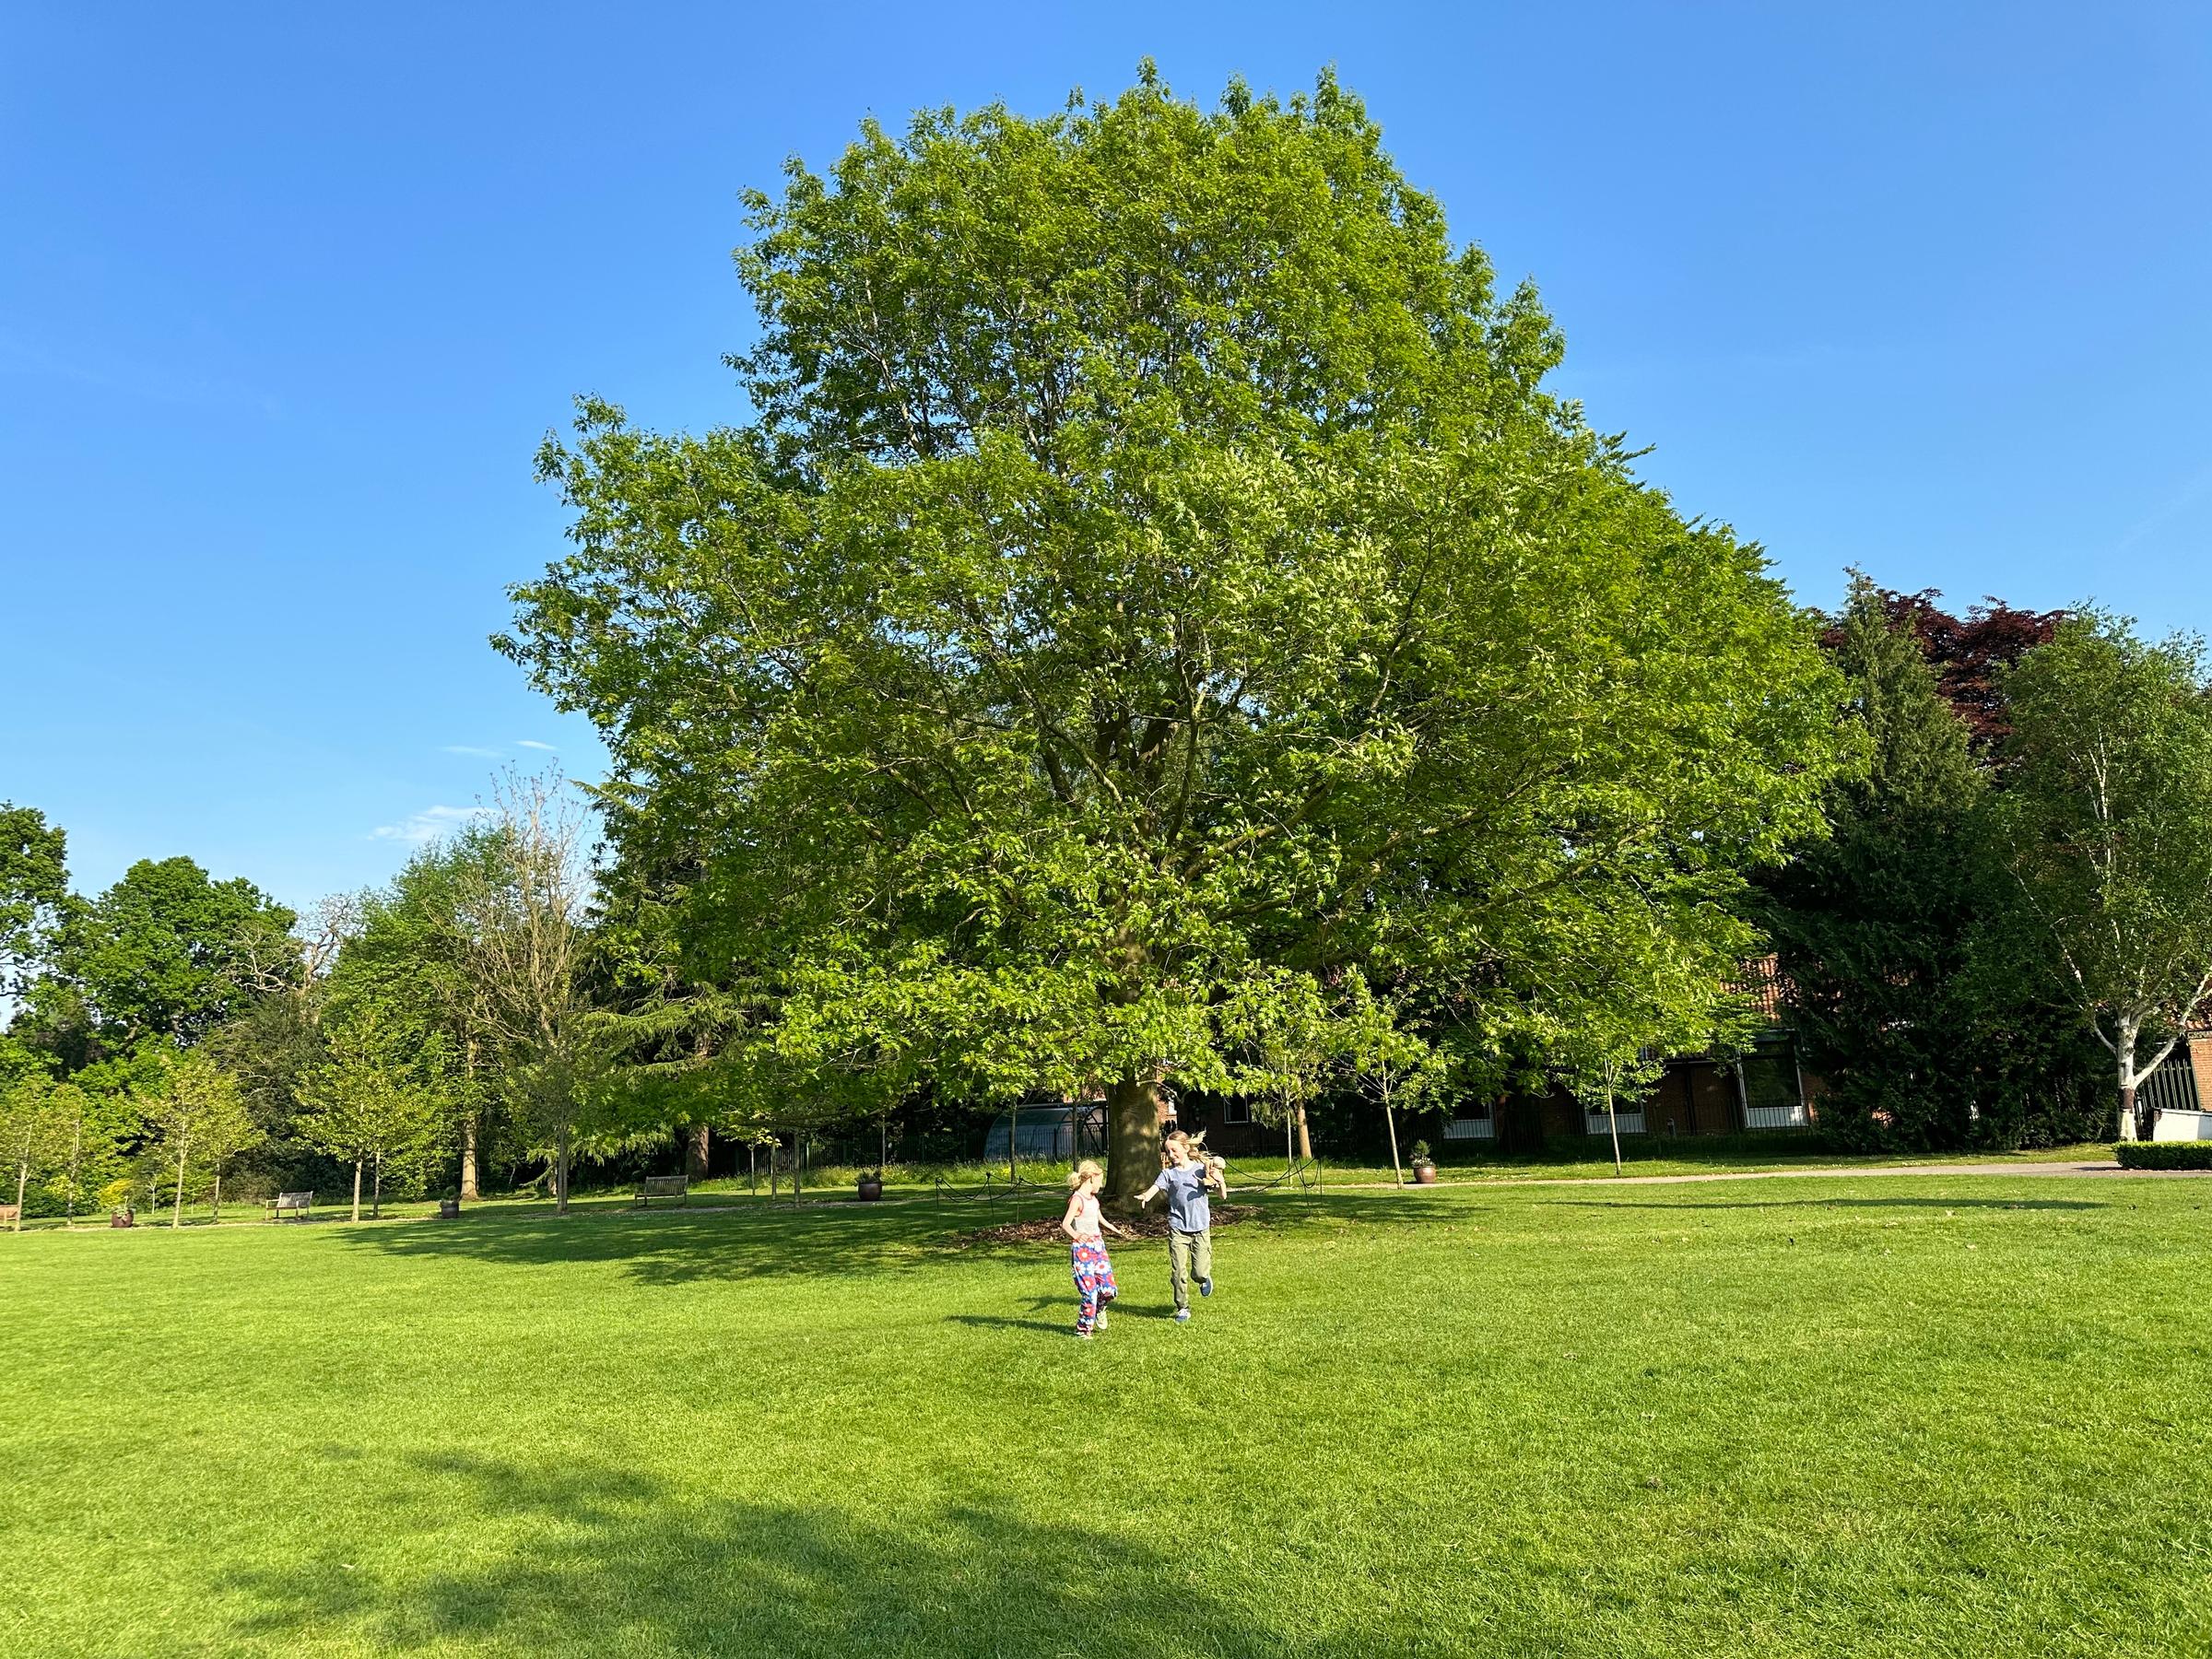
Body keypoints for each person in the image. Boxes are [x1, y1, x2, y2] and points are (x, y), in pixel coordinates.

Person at [1137, 1131, 1227, 1323]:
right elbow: (1156, 1187)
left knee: (1199, 1273)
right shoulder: (1168, 1174)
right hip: (1178, 1228)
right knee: (1178, 1272)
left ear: (1186, 1148)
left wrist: (1219, 1181)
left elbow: (1222, 1195)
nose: (1171, 1155)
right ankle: (1183, 1307)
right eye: (1167, 1152)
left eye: (1174, 1150)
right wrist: (1146, 1195)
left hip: (1200, 1228)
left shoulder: (1201, 1169)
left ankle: (1204, 1279)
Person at [1059, 1159, 1127, 1339]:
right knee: (1090, 1293)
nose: (1101, 1184)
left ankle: (1100, 1308)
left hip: (1098, 1247)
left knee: (1109, 1290)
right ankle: (1083, 1329)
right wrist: (1076, 1235)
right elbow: (1065, 1223)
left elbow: (1099, 1218)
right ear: (1091, 1178)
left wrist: (1113, 1229)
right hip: (1082, 1250)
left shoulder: (1094, 1200)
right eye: (1100, 1180)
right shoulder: (1077, 1199)